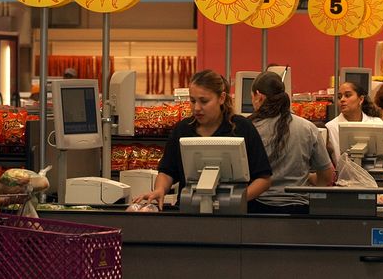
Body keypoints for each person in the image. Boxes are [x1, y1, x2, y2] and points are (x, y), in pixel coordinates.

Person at [136, 70, 272, 209]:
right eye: (193, 101)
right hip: (189, 211)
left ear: (221, 98)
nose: (197, 108)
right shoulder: (182, 130)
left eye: (204, 101)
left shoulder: (242, 128)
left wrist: (237, 200)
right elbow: (167, 171)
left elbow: (264, 179)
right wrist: (160, 189)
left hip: (235, 216)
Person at [247, 71, 333, 214]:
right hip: (299, 210)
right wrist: (309, 178)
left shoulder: (249, 128)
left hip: (257, 209)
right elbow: (327, 176)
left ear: (259, 97)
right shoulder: (308, 128)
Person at [325, 80, 383, 167]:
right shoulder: (330, 127)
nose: (342, 100)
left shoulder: (377, 123)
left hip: (377, 177)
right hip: (344, 178)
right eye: (339, 97)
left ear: (361, 99)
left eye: (347, 95)